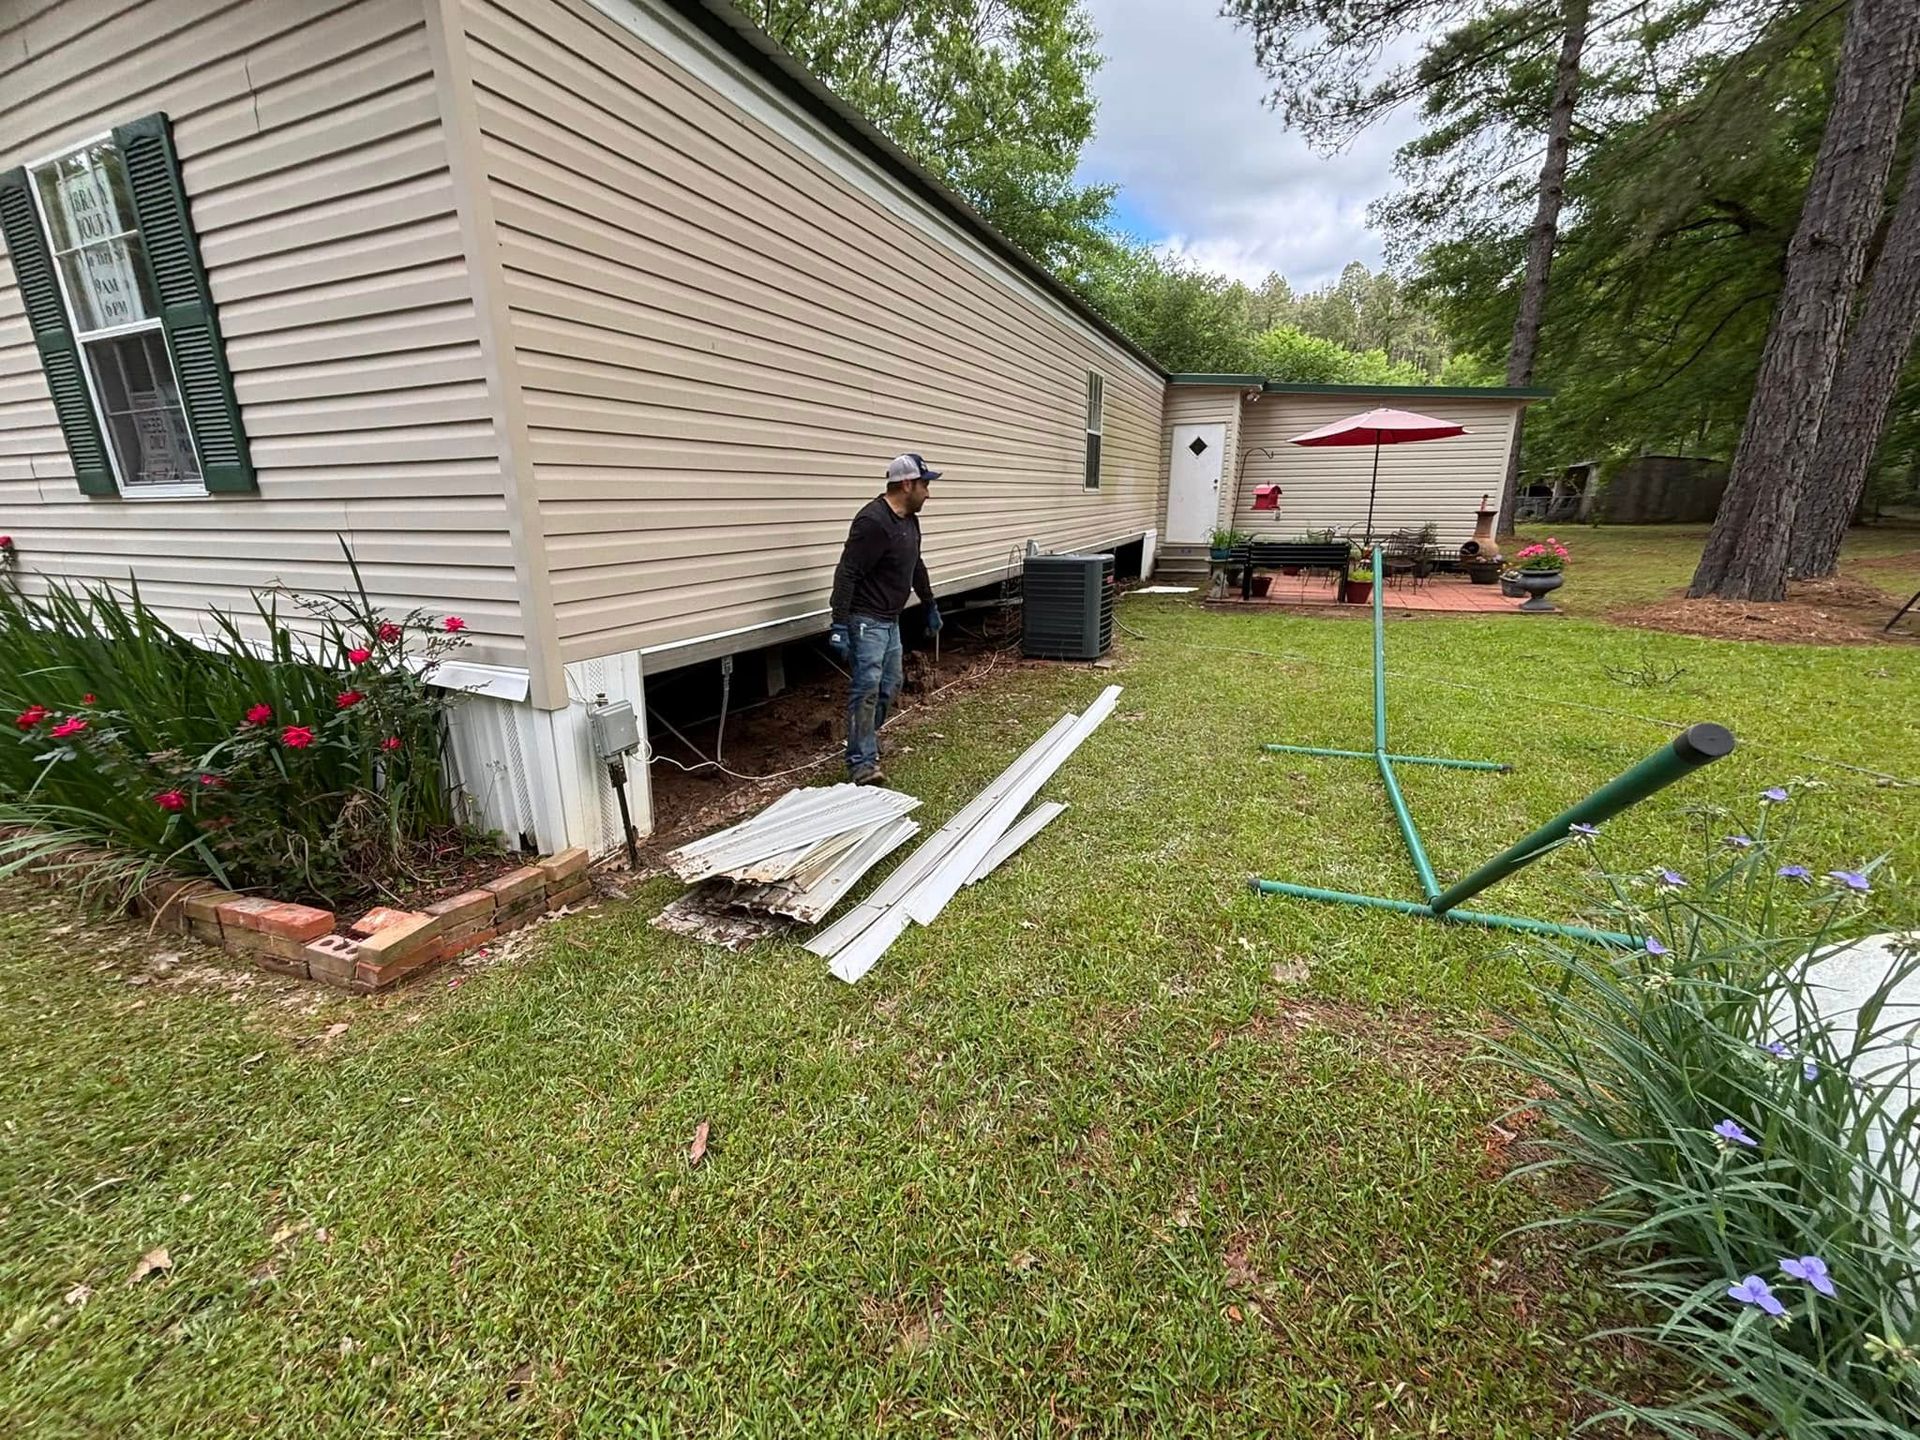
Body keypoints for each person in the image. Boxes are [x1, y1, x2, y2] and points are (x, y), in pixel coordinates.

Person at [827, 453, 943, 784]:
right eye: (925, 485)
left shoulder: (908, 519)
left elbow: (915, 564)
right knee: (866, 687)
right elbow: (847, 571)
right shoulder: (873, 522)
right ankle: (861, 763)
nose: (928, 493)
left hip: (890, 620)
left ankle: (865, 740)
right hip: (866, 620)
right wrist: (839, 623)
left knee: (890, 684)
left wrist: (929, 602)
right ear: (907, 484)